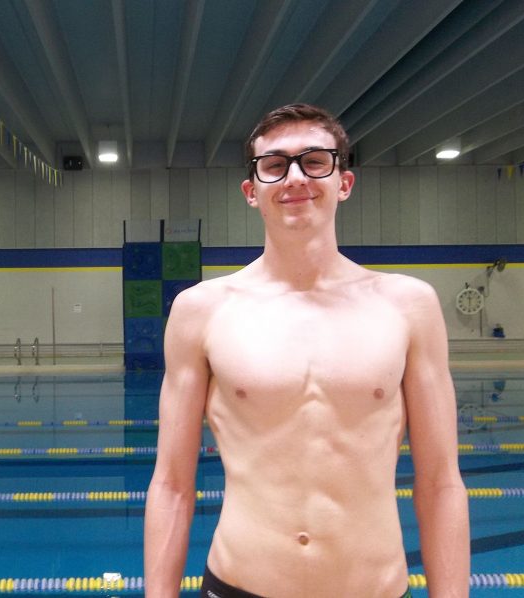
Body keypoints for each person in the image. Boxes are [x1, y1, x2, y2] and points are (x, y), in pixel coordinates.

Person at [144, 104, 469, 597]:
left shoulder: (408, 305)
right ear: (252, 192)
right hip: (238, 584)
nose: (295, 176)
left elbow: (442, 483)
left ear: (344, 182)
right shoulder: (202, 310)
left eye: (315, 161)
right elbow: (170, 484)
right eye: (275, 165)